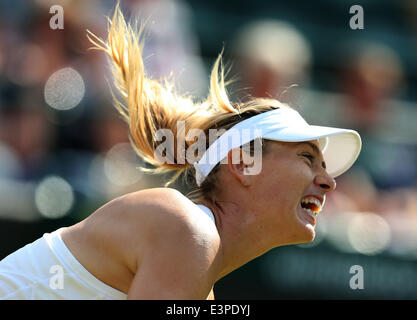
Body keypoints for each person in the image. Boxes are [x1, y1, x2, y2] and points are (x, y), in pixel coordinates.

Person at [0, 7, 362, 300]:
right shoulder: (187, 230)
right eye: (306, 158)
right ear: (242, 164)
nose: (329, 181)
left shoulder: (194, 261)